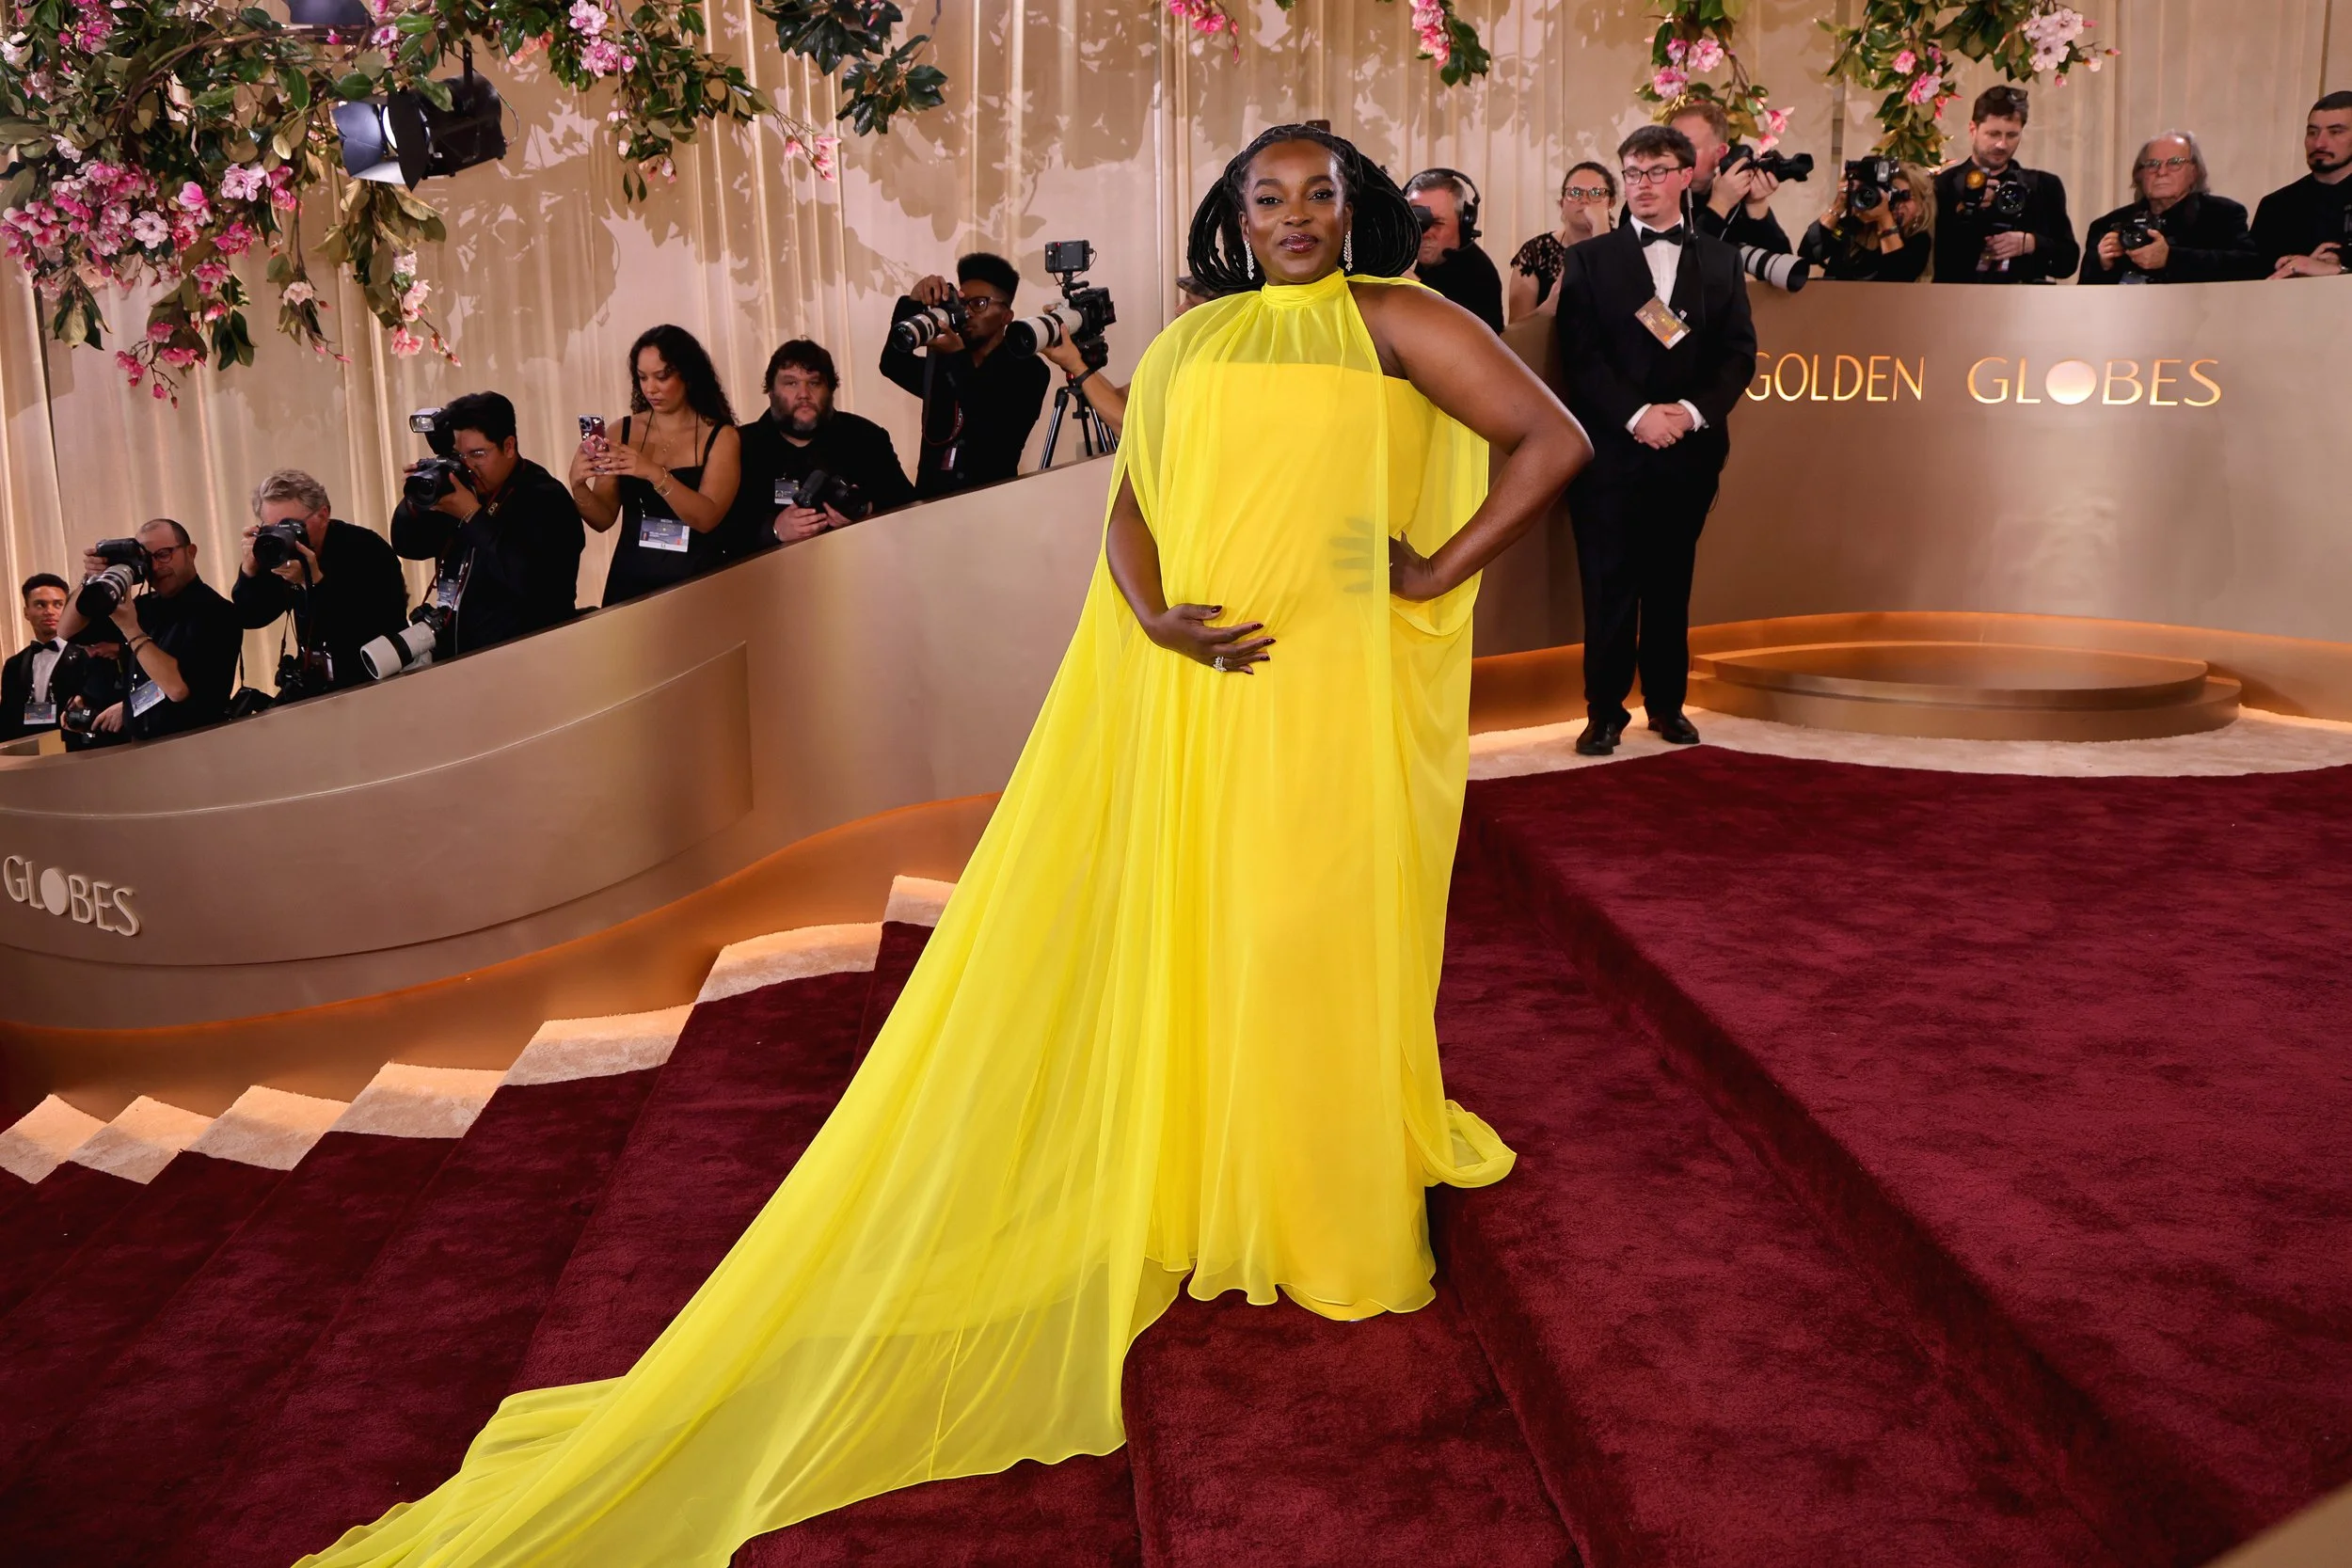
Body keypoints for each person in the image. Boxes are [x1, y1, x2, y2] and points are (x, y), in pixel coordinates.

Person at [293, 121, 1587, 1568]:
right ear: (1233, 213)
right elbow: (1135, 510)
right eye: (1266, 196)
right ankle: (1224, 1169)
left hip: (1334, 681)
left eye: (1318, 194)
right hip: (1200, 693)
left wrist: (1429, 571)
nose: (1294, 215)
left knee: (1319, 922)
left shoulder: (1396, 318)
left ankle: (1326, 1198)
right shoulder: (1190, 348)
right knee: (1217, 928)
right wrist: (1153, 618)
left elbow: (1555, 441)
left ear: (1355, 206)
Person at [1554, 123, 1757, 755]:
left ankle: (1666, 706)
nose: (1642, 186)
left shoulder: (1722, 260)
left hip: (1689, 454)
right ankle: (1604, 711)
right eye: (1633, 174)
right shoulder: (1589, 259)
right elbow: (1579, 356)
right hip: (1611, 453)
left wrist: (1690, 413)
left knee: (1672, 583)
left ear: (1685, 174)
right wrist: (1638, 414)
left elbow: (1737, 355)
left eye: (1655, 172)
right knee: (1608, 584)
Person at [392, 391, 585, 655]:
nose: (468, 466)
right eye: (459, 456)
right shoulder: (462, 489)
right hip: (461, 655)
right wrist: (418, 501)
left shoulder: (546, 498)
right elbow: (408, 545)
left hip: (530, 656)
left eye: (478, 454)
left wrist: (472, 516)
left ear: (509, 446)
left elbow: (533, 583)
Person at [571, 325, 744, 608]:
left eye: (662, 377)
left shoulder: (721, 436)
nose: (651, 388)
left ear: (687, 375)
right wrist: (578, 485)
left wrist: (654, 472)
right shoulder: (620, 430)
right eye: (642, 378)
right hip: (632, 578)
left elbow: (707, 518)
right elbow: (602, 519)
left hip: (696, 578)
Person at [880, 252, 1053, 499]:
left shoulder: (1029, 370)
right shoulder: (943, 360)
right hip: (932, 506)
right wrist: (914, 300)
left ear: (1006, 316)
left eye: (979, 303)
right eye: (963, 303)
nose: (967, 313)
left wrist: (956, 358)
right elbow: (892, 364)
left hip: (991, 508)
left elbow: (994, 432)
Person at [56, 518, 240, 742]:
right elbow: (68, 631)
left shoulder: (217, 612)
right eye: (145, 558)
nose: (154, 567)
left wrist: (131, 629)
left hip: (195, 746)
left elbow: (177, 689)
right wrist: (91, 579)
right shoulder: (143, 607)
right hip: (142, 747)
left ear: (190, 552)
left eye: (163, 555)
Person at [230, 469, 408, 695]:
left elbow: (374, 626)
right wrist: (249, 571)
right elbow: (251, 616)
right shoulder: (279, 552)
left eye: (291, 526)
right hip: (316, 680)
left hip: (374, 678)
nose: (283, 535)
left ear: (323, 516)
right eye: (271, 527)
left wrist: (311, 582)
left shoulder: (366, 548)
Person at [733, 341, 916, 549]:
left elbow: (909, 509)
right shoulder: (740, 446)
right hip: (768, 576)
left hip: (858, 566)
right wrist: (774, 530)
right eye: (791, 383)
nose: (803, 394)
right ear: (771, 391)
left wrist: (866, 512)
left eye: (814, 383)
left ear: (830, 389)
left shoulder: (866, 437)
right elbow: (719, 535)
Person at [1932, 86, 2079, 283]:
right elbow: (1930, 258)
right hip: (1957, 304)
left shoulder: (2044, 186)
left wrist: (2032, 243)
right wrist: (1966, 210)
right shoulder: (1943, 185)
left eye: (2012, 135)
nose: (2002, 144)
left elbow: (2067, 263)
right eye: (1993, 134)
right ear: (1972, 130)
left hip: (2024, 305)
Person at [2080, 132, 2260, 284]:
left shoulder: (2223, 214)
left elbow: (2249, 267)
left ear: (2194, 172)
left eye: (2175, 162)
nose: (2162, 172)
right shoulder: (2109, 224)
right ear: (2140, 174)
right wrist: (2103, 265)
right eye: (2152, 164)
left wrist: (2170, 258)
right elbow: (2083, 297)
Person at [1668, 100, 1791, 254]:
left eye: (1686, 148)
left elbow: (1781, 265)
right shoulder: (1650, 194)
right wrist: (1720, 203)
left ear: (1719, 154)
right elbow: (1682, 263)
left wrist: (1757, 205)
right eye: (1669, 147)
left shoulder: (1735, 192)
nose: (1674, 157)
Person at [2252, 91, 2352, 278]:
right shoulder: (2276, 206)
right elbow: (2253, 285)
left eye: (2335, 132)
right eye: (2312, 132)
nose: (2319, 143)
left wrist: (2339, 272)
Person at [1508, 162, 1617, 323]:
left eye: (1596, 192)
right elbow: (1514, 333)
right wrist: (1546, 310)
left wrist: (1601, 230)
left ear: (1611, 203)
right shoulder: (1535, 252)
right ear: (1562, 204)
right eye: (1575, 192)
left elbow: (1661, 324)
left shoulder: (1631, 246)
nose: (1585, 200)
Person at [1799, 160, 1936, 282]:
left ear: (1921, 207)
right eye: (1891, 195)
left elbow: (1897, 278)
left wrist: (1884, 218)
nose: (1896, 203)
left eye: (1904, 197)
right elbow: (1809, 253)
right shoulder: (1853, 227)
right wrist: (1839, 205)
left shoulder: (1918, 240)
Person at [1405, 167, 1506, 331]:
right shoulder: (1430, 263)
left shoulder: (1479, 273)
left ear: (1464, 223)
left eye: (1437, 223)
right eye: (1417, 222)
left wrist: (1415, 284)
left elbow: (1466, 340)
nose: (1425, 234)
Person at [1, 573, 69, 742]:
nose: (49, 611)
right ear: (26, 612)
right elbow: (7, 718)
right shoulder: (14, 664)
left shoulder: (88, 655)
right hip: (28, 751)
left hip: (78, 751)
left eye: (58, 604)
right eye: (40, 605)